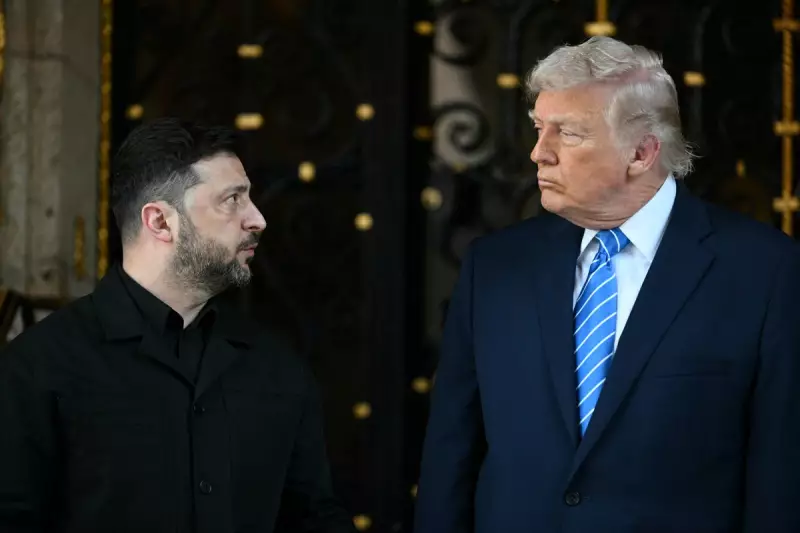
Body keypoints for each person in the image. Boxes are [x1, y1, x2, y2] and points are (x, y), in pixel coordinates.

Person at [414, 36, 800, 533]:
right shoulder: (495, 267)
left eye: (568, 134)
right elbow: (451, 455)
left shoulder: (765, 271)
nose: (539, 153)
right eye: (539, 128)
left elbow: (781, 477)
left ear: (641, 152)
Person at [0, 118, 356, 533]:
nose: (257, 219)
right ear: (160, 222)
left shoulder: (277, 366)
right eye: (232, 199)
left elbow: (315, 519)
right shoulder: (37, 368)